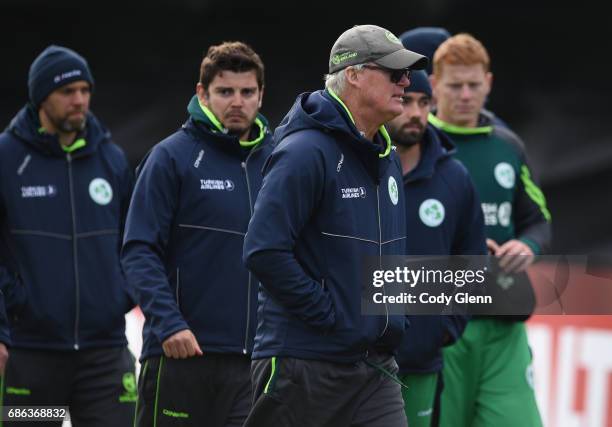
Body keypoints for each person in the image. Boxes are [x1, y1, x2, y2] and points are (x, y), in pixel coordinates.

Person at [242, 24, 427, 427]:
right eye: (394, 73)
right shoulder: (303, 151)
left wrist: (394, 316)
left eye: (406, 73)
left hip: (375, 368)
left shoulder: (387, 155)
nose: (406, 82)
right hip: (303, 366)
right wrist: (330, 316)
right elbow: (263, 250)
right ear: (355, 74)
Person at [121, 41, 274, 427]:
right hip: (180, 357)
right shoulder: (170, 157)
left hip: (254, 365)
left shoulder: (280, 162)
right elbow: (138, 252)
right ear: (202, 93)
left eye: (246, 92)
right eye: (225, 92)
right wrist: (169, 324)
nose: (236, 102)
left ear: (261, 95)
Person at [0, 45, 135, 426]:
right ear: (42, 97)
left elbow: (137, 242)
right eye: (67, 91)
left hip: (105, 360)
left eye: (85, 90)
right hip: (33, 357)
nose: (79, 100)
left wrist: (119, 294)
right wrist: (15, 304)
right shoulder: (8, 159)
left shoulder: (111, 159)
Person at [429, 33, 551, 427]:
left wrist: (527, 245)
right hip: (438, 324)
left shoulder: (507, 146)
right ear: (434, 84)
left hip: (502, 320)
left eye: (474, 85)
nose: (465, 95)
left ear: (489, 83)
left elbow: (537, 218)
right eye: (455, 85)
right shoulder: (414, 145)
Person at [386, 69, 486, 427]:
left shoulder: (454, 177)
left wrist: (448, 325)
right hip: (362, 359)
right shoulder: (361, 167)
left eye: (424, 103)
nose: (415, 113)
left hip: (423, 358)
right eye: (407, 101)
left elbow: (473, 259)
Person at [399, 26, 509, 128]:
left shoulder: (503, 138)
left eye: (474, 85)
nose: (465, 96)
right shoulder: (407, 137)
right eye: (406, 101)